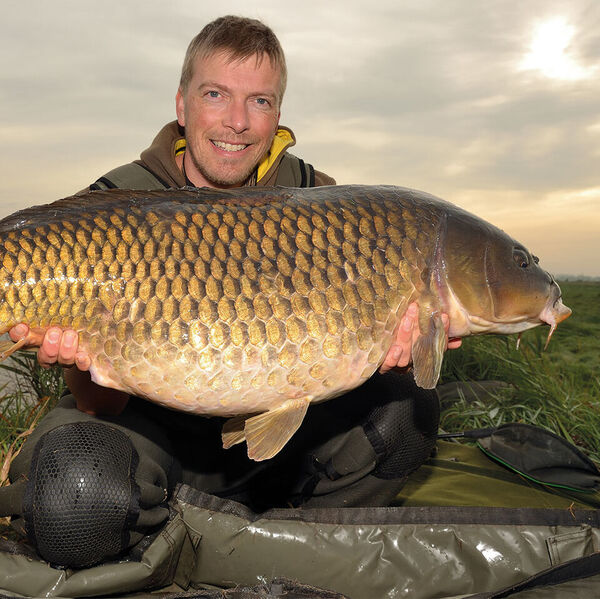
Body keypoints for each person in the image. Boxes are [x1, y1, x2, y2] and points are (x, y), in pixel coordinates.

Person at [3, 15, 460, 570]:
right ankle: (175, 543)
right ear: (181, 104)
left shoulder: (323, 204)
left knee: (408, 415)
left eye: (260, 101)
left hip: (286, 447)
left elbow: (352, 353)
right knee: (77, 495)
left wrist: (393, 352)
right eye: (216, 94)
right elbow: (99, 403)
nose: (237, 122)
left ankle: (293, 560)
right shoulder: (117, 203)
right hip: (150, 437)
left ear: (277, 114)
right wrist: (78, 356)